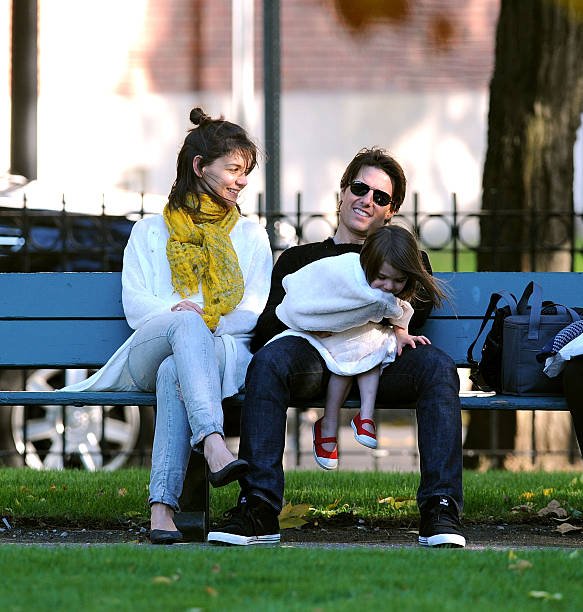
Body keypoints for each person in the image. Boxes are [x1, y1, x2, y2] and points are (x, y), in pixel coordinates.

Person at [207, 146, 466, 548]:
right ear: (343, 192)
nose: (367, 200)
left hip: (378, 367)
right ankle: (258, 506)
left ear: (390, 211)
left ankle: (441, 506)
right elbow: (270, 325)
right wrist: (324, 324)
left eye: (381, 197)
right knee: (271, 360)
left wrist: (343, 319)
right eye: (360, 188)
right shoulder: (299, 260)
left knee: (437, 366)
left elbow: (413, 311)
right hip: (312, 361)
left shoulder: (406, 258)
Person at [62, 107, 273, 545]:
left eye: (246, 171)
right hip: (148, 345)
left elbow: (251, 312)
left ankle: (162, 510)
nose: (242, 180)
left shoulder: (251, 237)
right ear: (199, 167)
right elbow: (138, 308)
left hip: (217, 355)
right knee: (185, 331)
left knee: (175, 371)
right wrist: (188, 315)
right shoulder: (149, 232)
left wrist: (195, 321)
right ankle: (214, 444)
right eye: (233, 169)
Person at [269, 225, 443, 470]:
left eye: (399, 281)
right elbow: (310, 294)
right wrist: (316, 322)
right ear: (368, 266)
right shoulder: (347, 272)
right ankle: (329, 423)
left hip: (369, 337)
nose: (389, 286)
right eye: (382, 277)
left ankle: (365, 417)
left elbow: (401, 312)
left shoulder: (389, 293)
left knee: (372, 353)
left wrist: (402, 334)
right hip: (333, 338)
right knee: (349, 363)